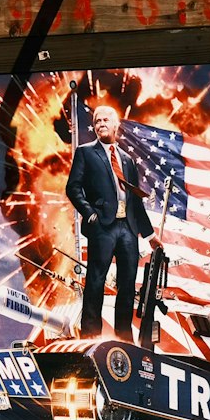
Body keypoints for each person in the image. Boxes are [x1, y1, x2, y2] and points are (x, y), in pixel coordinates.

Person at [65, 104, 160, 337]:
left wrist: (150, 236)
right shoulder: (85, 152)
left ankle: (124, 337)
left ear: (116, 125)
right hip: (102, 227)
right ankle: (90, 335)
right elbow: (73, 187)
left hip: (127, 228)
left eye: (106, 120)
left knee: (127, 285)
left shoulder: (127, 160)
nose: (101, 124)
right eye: (97, 121)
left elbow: (135, 202)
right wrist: (90, 214)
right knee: (96, 281)